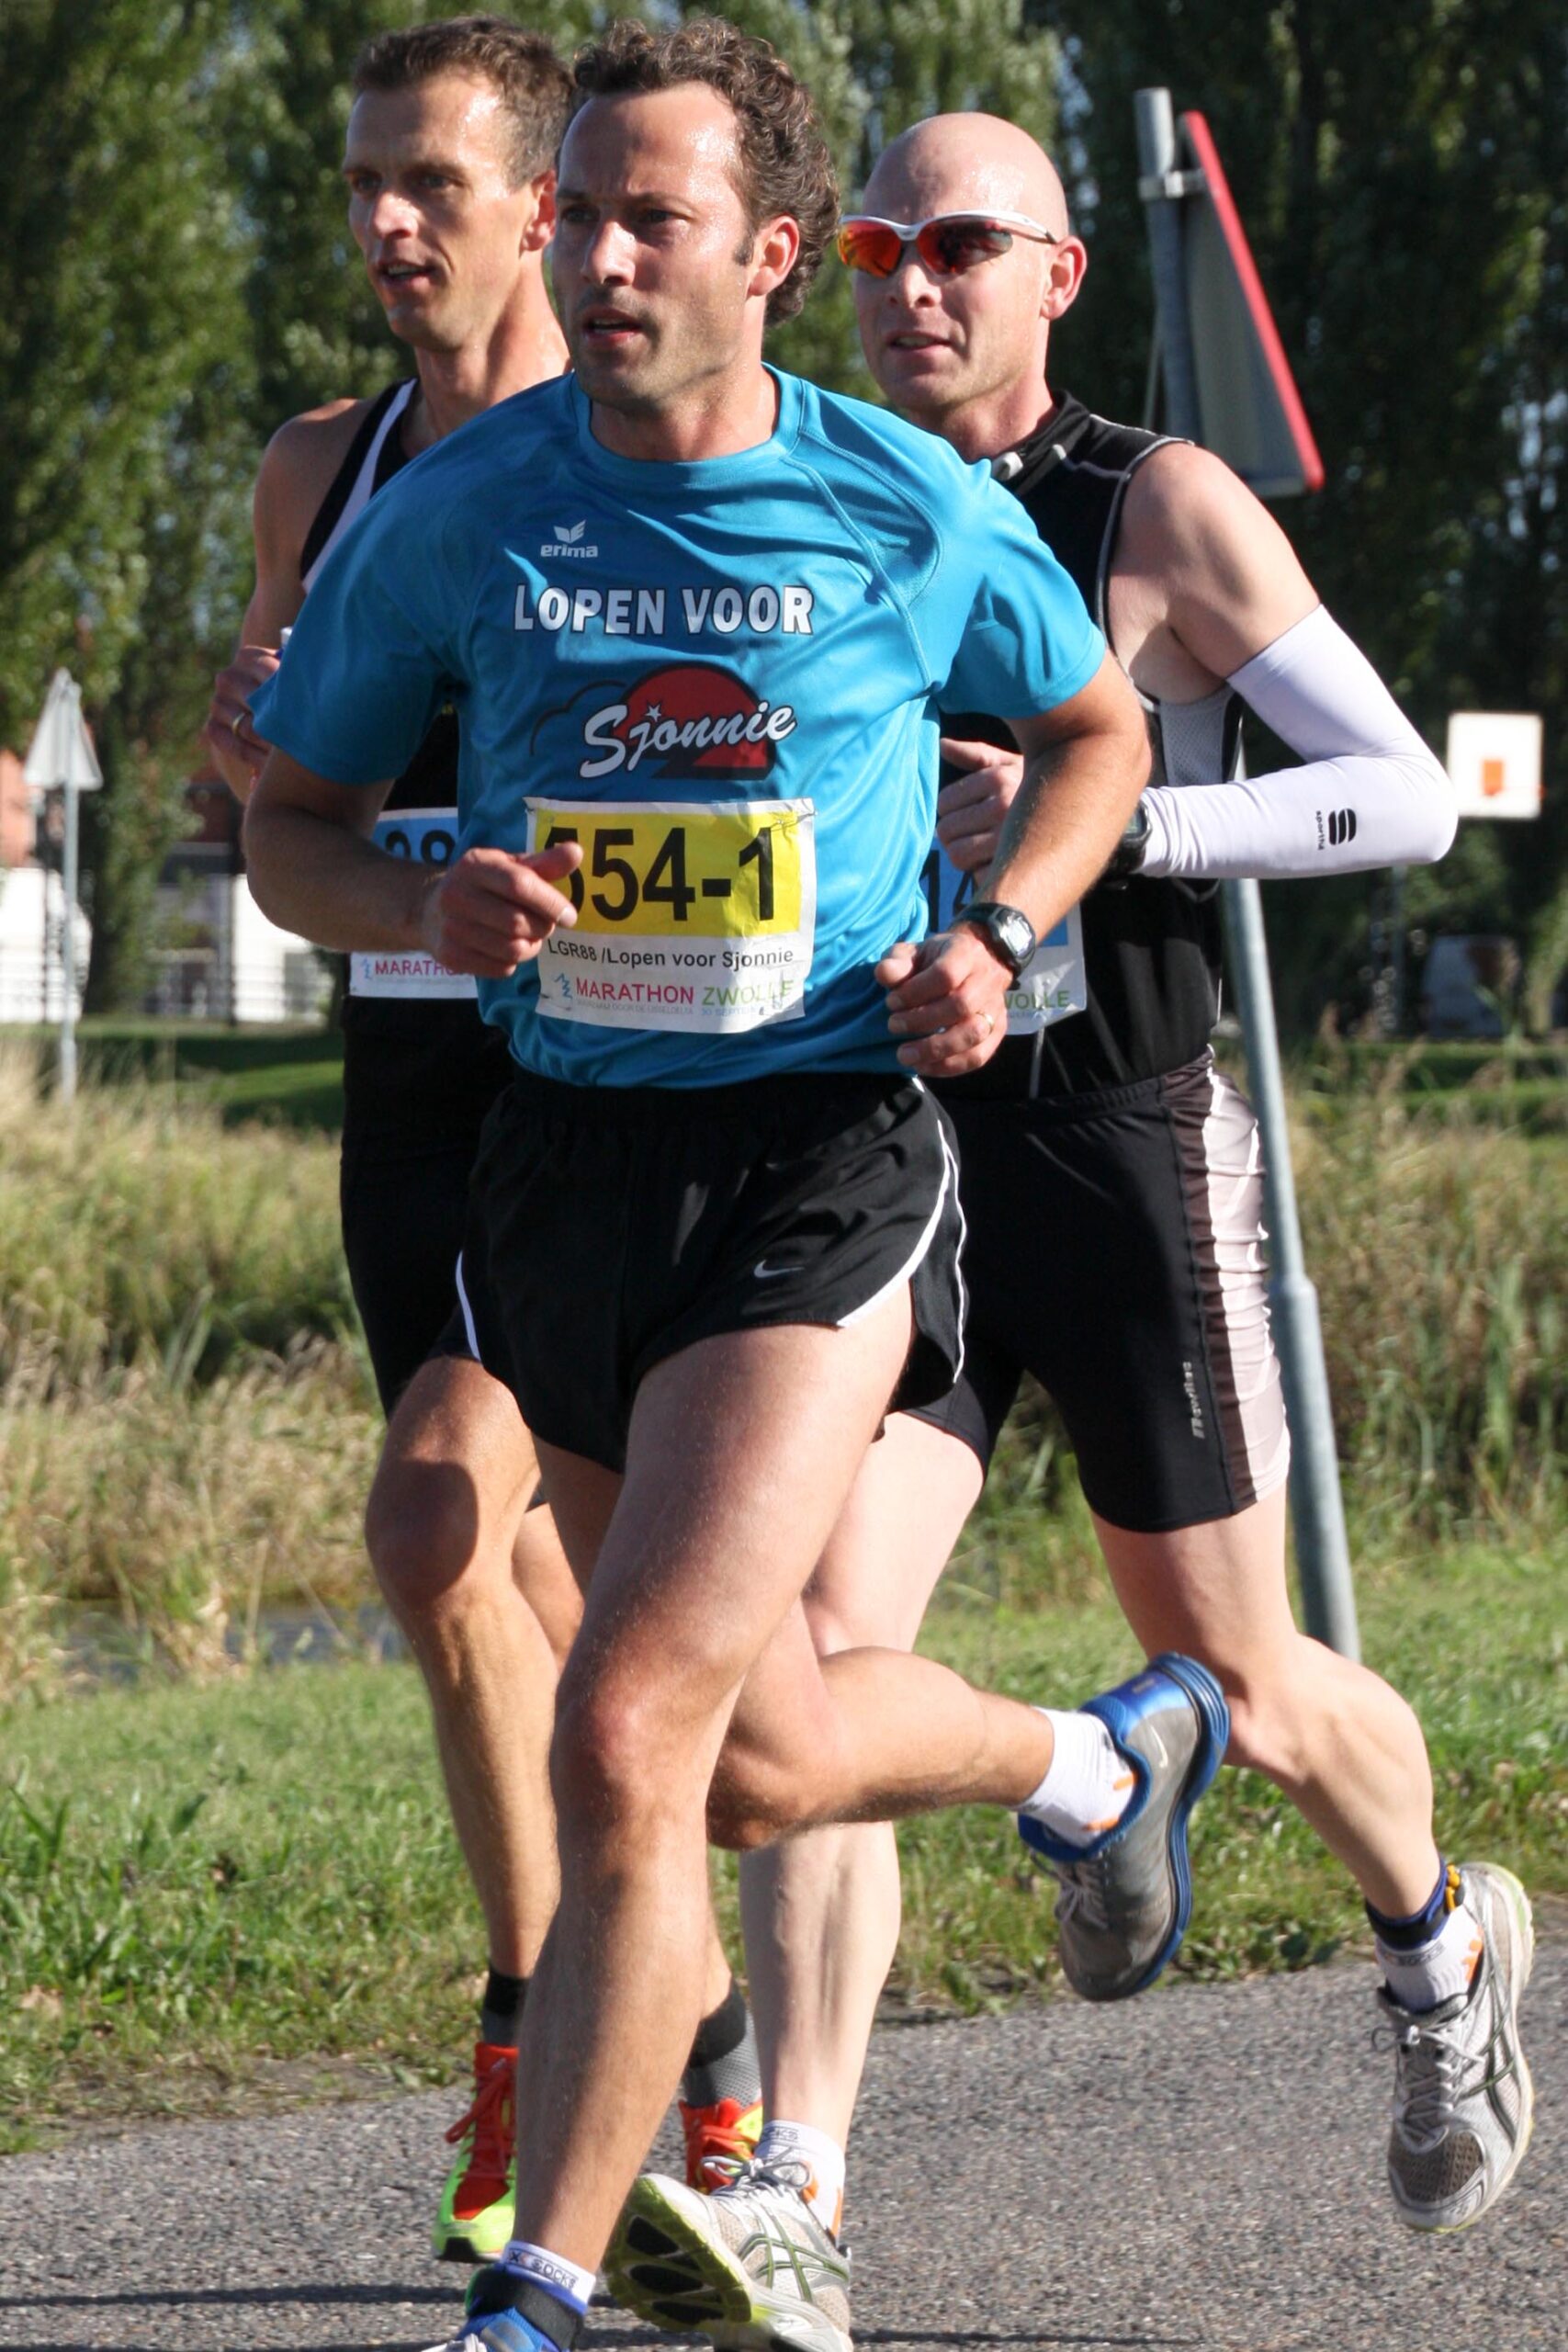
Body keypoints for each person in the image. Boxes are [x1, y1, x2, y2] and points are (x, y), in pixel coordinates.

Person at [241, 23, 1230, 2352]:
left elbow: (1093, 728)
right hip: (561, 1162)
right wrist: (418, 907)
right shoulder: (458, 513)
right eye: (575, 213)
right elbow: (287, 828)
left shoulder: (896, 500)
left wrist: (1000, 929)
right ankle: (1093, 1751)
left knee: (621, 1728)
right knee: (756, 1754)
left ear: (769, 255)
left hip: (820, 1151)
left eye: (646, 220)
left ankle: (538, 2291)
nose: (593, 258)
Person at [603, 109, 1535, 2352]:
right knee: (809, 1663)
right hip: (882, 1151)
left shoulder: (1155, 502)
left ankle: (1439, 1944)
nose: (912, 286)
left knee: (1244, 1672)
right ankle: (802, 2182)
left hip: (1115, 1139)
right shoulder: (816, 489)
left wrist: (1113, 829)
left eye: (959, 245)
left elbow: (1400, 792)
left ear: (1058, 274)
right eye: (875, 251)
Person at [202, 14, 761, 2265]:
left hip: (593, 1071)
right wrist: (256, 759)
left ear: (543, 207)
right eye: (362, 183)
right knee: (516, 1581)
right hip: (406, 1080)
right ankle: (686, 2030)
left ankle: (541, 2033)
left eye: (428, 182)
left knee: (437, 1512)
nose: (384, 223)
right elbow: (275, 790)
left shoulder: (616, 447)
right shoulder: (317, 469)